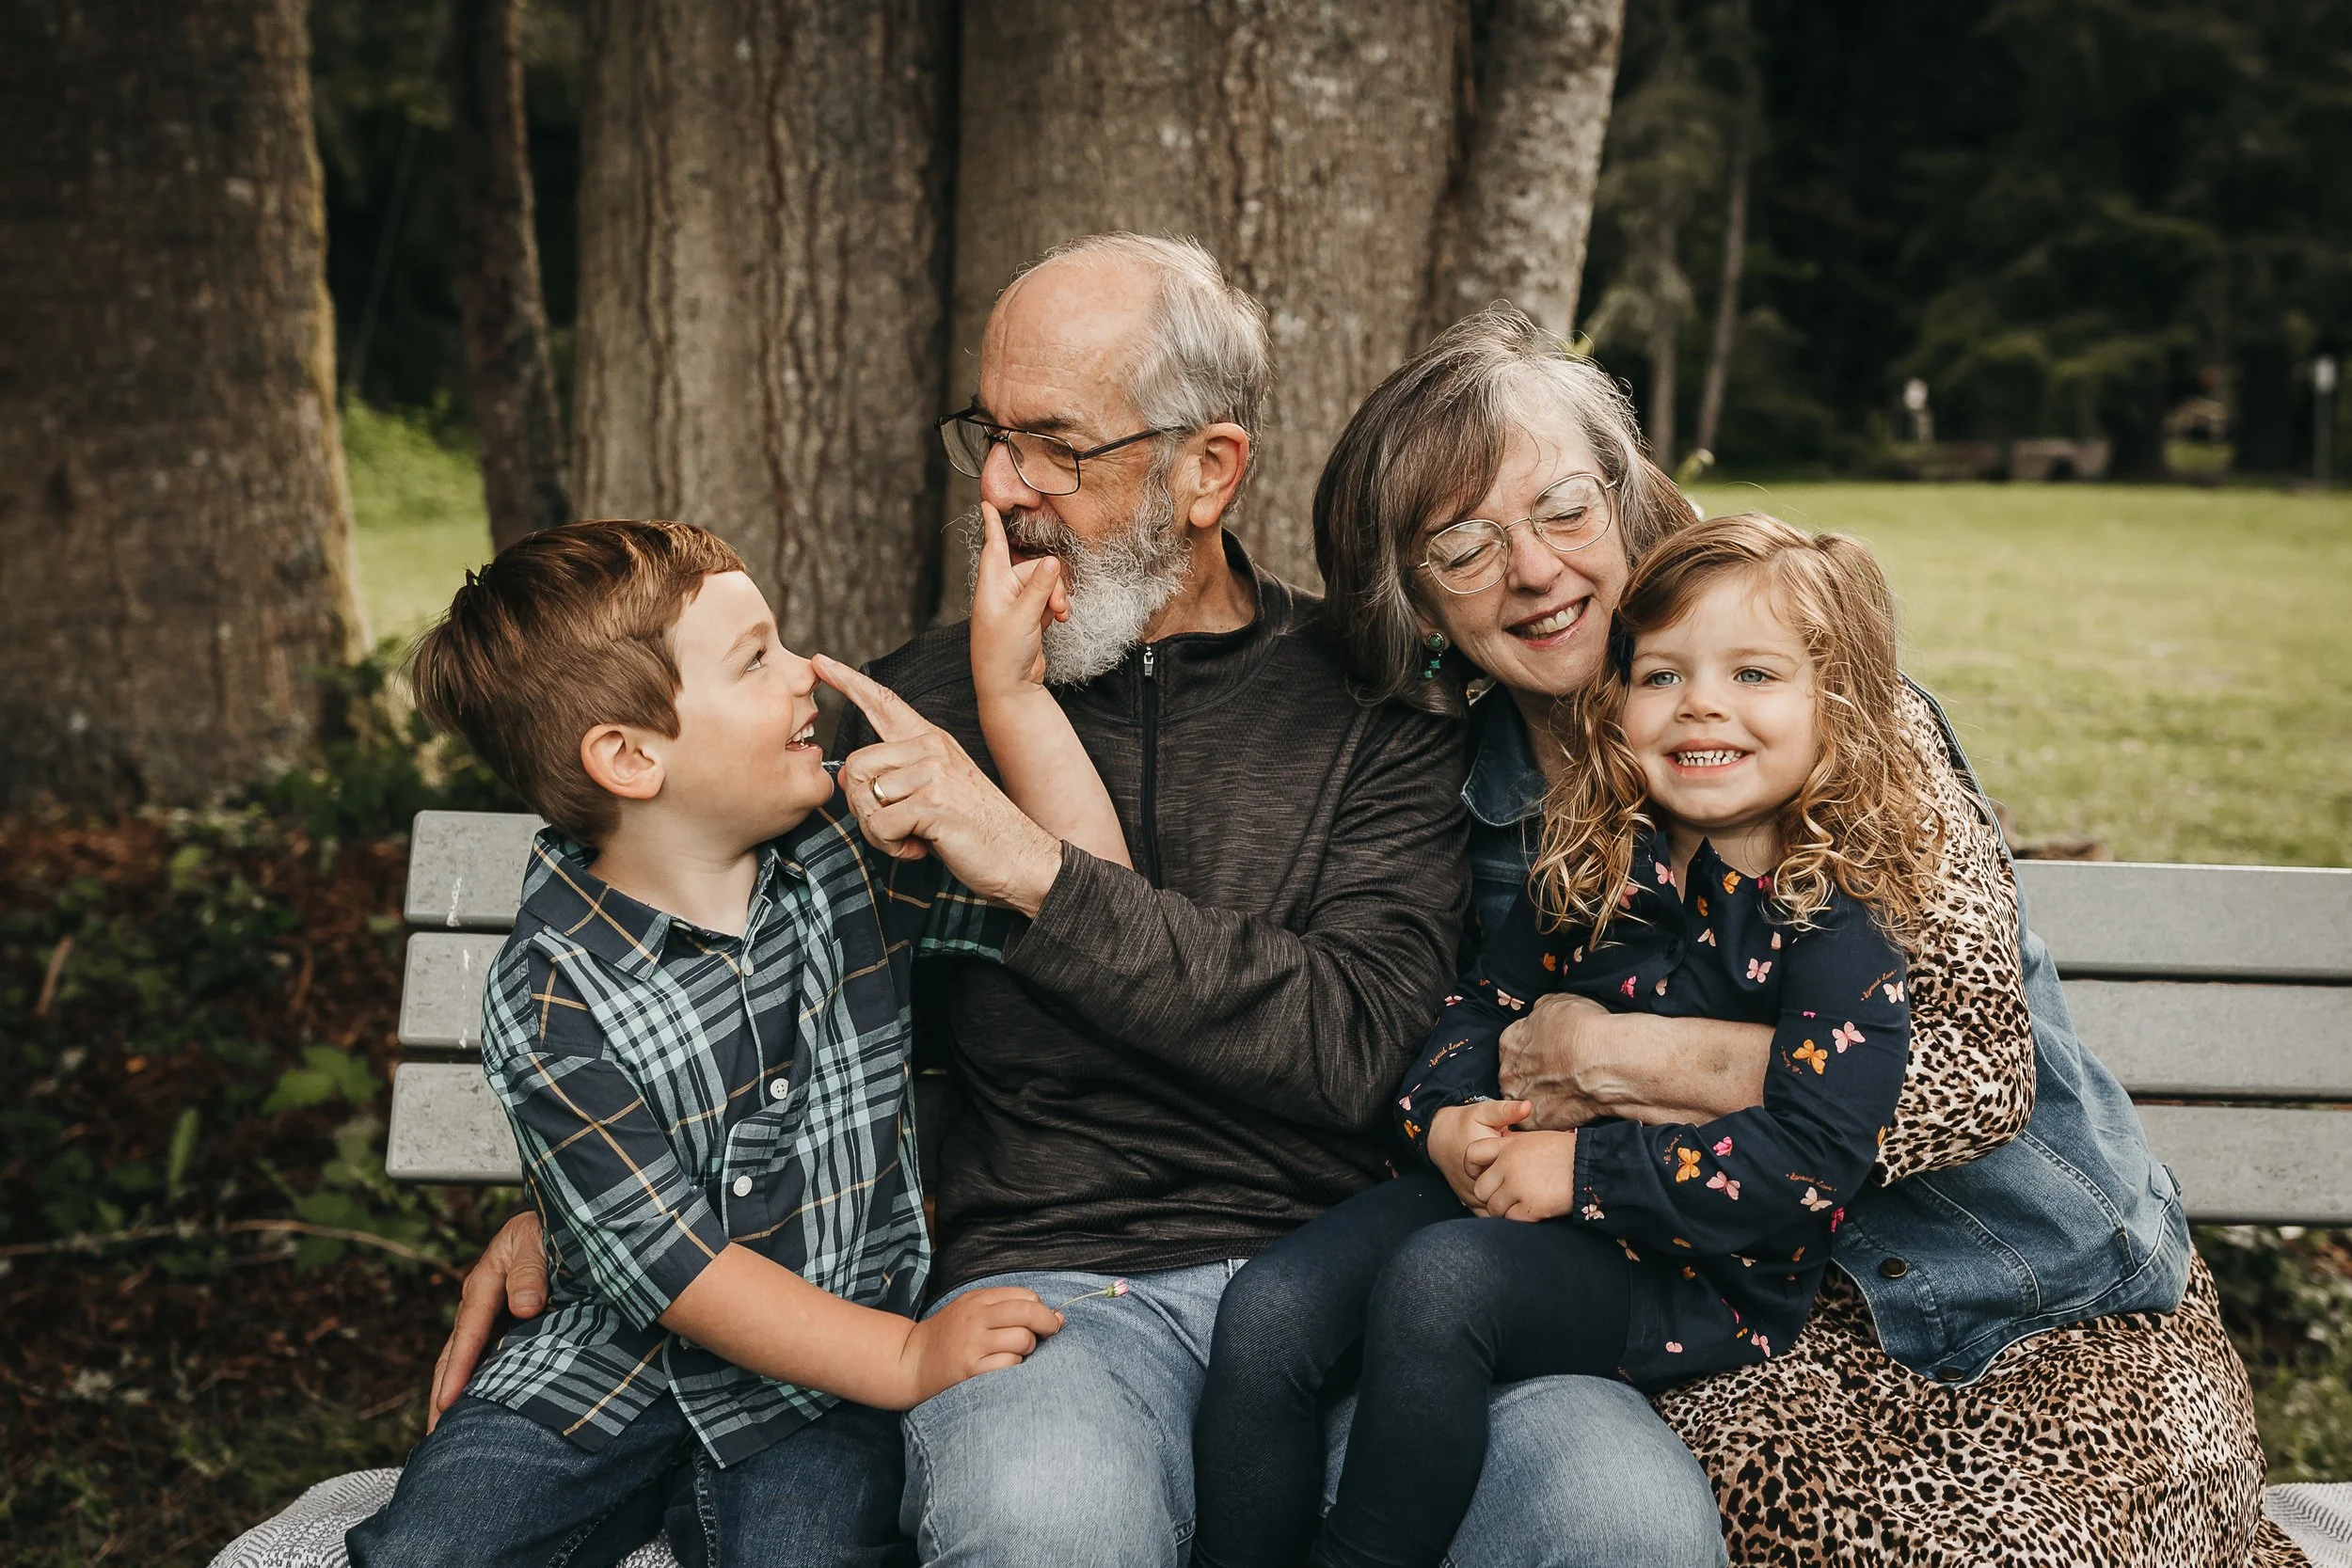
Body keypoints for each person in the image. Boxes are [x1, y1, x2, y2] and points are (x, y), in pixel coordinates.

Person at [432, 237, 1730, 1567]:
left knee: (1621, 1515)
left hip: (1364, 1291)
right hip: (1047, 1297)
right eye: (990, 437)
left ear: (1206, 470)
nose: (1002, 487)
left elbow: (1360, 1050)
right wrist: (584, 1200)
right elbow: (734, 973)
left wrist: (1026, 863)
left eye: (1055, 444)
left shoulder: (1376, 704)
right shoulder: (895, 714)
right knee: (1044, 1523)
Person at [1307, 305, 2299, 1566]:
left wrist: (1612, 1057)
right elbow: (1470, 1062)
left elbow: (1965, 1072)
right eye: (1463, 543)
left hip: (2034, 1299)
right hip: (1746, 1318)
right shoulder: (1470, 806)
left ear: (1623, 501)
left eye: (1563, 508)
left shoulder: (1838, 716)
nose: (1536, 568)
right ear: (1419, 601)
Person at [1196, 515, 1931, 1568]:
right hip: (1505, 1182)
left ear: (1840, 710)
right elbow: (1474, 1012)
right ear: (1617, 703)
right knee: (1266, 1312)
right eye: (1662, 674)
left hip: (1692, 1263)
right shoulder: (1594, 870)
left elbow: (1810, 1156)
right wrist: (1446, 1120)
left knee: (1443, 1287)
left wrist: (1579, 1170)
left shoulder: (1832, 926)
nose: (1702, 704)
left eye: (1755, 672)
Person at [346, 518, 1077, 1568]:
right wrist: (911, 1355)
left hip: (823, 1383)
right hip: (603, 1364)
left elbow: (1070, 894)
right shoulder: (552, 995)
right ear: (632, 756)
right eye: (756, 659)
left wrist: (999, 732)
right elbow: (676, 1270)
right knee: (427, 1549)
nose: (806, 676)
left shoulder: (844, 865)